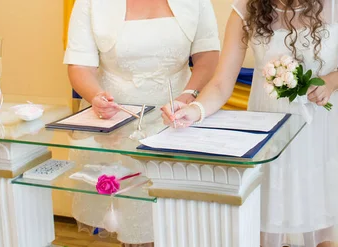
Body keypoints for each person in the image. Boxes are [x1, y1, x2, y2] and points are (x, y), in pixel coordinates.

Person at [160, 0, 338, 246]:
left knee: (322, 226)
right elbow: (221, 83)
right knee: (266, 225)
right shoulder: (246, 9)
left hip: (320, 131)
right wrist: (194, 110)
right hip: (269, 135)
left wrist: (333, 80)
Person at [63, 0, 220, 245]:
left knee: (180, 217)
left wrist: (188, 96)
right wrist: (95, 96)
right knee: (132, 219)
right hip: (117, 123)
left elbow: (208, 56)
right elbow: (79, 65)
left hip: (178, 116)